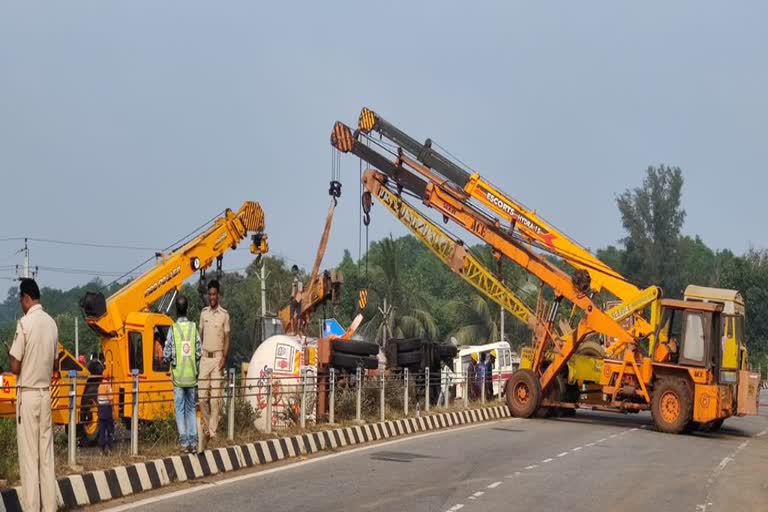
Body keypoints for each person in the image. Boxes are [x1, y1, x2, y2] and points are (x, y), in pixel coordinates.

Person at [6, 278, 58, 512]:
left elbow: (15, 367)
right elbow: (55, 364)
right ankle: (49, 507)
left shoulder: (24, 324)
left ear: (26, 298)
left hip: (27, 395)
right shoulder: (52, 324)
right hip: (45, 394)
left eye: (20, 300)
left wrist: (11, 354)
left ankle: (31, 508)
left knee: (29, 459)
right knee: (46, 457)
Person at [163, 295, 202, 454]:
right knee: (191, 409)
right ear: (187, 309)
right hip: (192, 377)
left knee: (180, 410)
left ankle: (184, 444)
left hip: (178, 377)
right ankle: (193, 442)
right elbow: (199, 352)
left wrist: (172, 362)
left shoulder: (173, 329)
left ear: (176, 310)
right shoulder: (193, 328)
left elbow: (166, 353)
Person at [198, 280, 229, 448]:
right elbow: (200, 336)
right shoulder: (203, 314)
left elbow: (227, 338)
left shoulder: (224, 315)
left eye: (214, 294)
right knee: (202, 397)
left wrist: (224, 357)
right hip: (205, 358)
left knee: (215, 398)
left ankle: (212, 431)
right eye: (209, 294)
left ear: (218, 295)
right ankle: (207, 426)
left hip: (218, 359)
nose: (211, 297)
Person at [97, 369, 115, 455]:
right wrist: (113, 410)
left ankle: (101, 449)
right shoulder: (108, 386)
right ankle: (110, 449)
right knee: (110, 429)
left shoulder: (100, 386)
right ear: (108, 377)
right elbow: (111, 398)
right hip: (107, 409)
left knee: (102, 430)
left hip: (100, 409)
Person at [289, 265, 303, 330]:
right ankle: (298, 329)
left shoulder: (295, 278)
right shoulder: (301, 278)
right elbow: (302, 289)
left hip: (295, 296)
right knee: (299, 314)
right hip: (299, 297)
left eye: (293, 270)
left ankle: (292, 330)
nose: (292, 272)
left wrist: (294, 297)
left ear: (295, 270)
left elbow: (295, 287)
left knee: (291, 314)